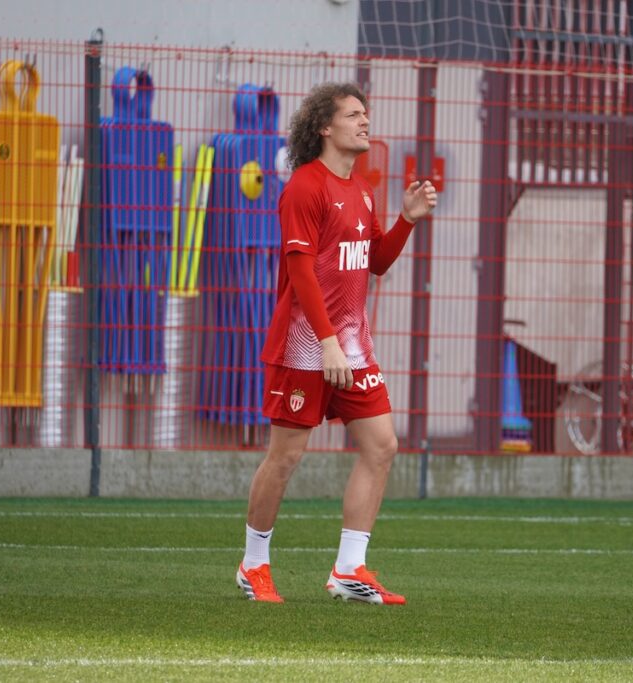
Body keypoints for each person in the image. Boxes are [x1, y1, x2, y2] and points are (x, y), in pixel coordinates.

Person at [236, 82, 437, 605]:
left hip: (352, 347)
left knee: (382, 445)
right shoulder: (305, 186)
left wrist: (406, 220)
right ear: (325, 127)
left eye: (365, 113)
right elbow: (300, 272)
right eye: (353, 114)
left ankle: (349, 569)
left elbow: (376, 262)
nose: (365, 121)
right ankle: (253, 564)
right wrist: (326, 342)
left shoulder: (362, 189)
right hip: (305, 346)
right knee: (286, 456)